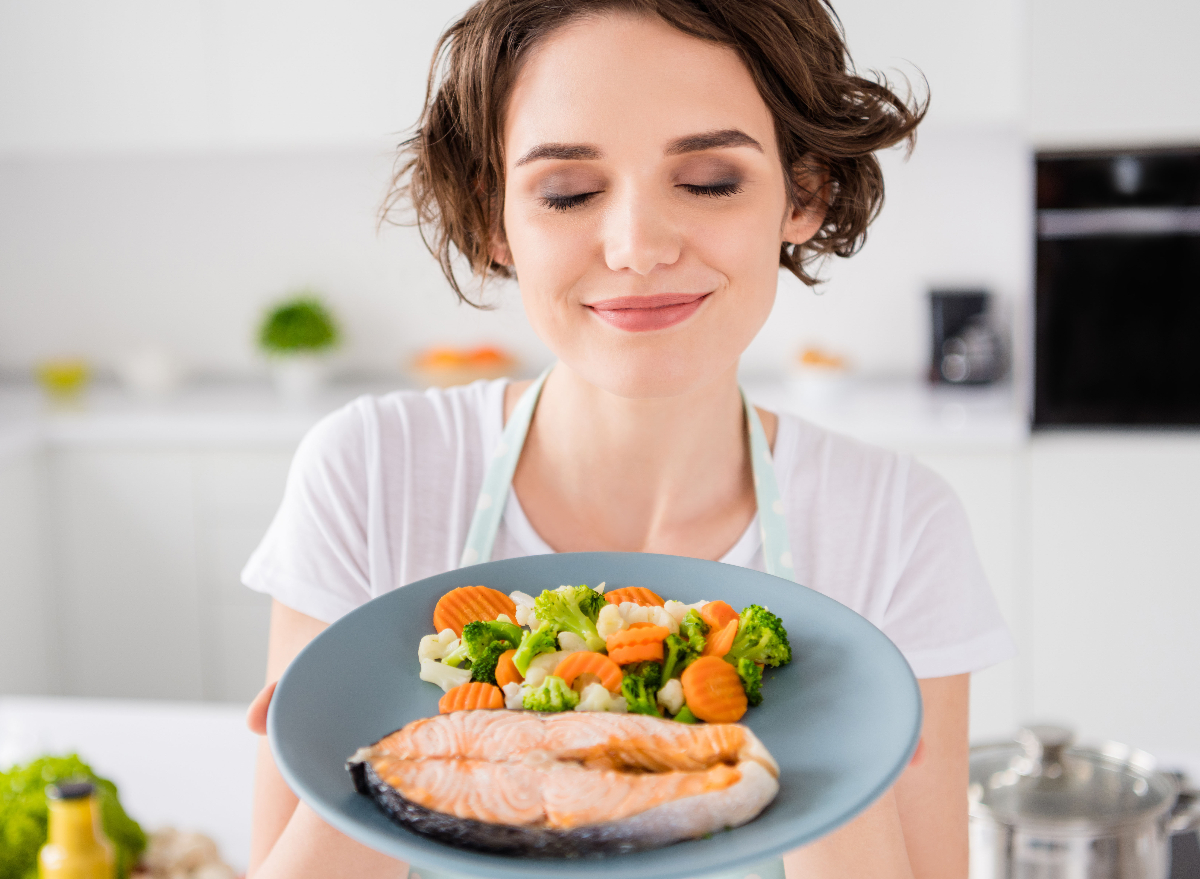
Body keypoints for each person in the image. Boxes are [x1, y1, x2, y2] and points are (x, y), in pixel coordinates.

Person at [242, 1, 1015, 877]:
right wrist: (377, 748)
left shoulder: (895, 524)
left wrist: (839, 763)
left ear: (805, 192)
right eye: (567, 192)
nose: (638, 246)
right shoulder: (373, 473)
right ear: (497, 220)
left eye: (711, 178)